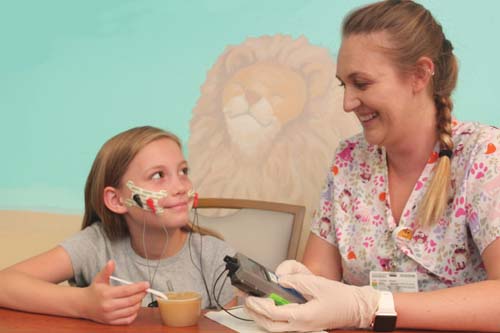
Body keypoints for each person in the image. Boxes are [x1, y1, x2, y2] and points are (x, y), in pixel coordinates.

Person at [244, 1, 500, 332]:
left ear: (420, 75)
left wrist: (373, 306)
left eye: (361, 83)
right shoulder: (349, 159)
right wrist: (293, 292)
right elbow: (319, 276)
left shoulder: (484, 154)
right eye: (343, 85)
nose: (347, 103)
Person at [0, 126, 236, 325]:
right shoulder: (96, 246)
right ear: (116, 200)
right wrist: (83, 304)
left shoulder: (216, 258)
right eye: (157, 175)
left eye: (183, 171)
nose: (181, 187)